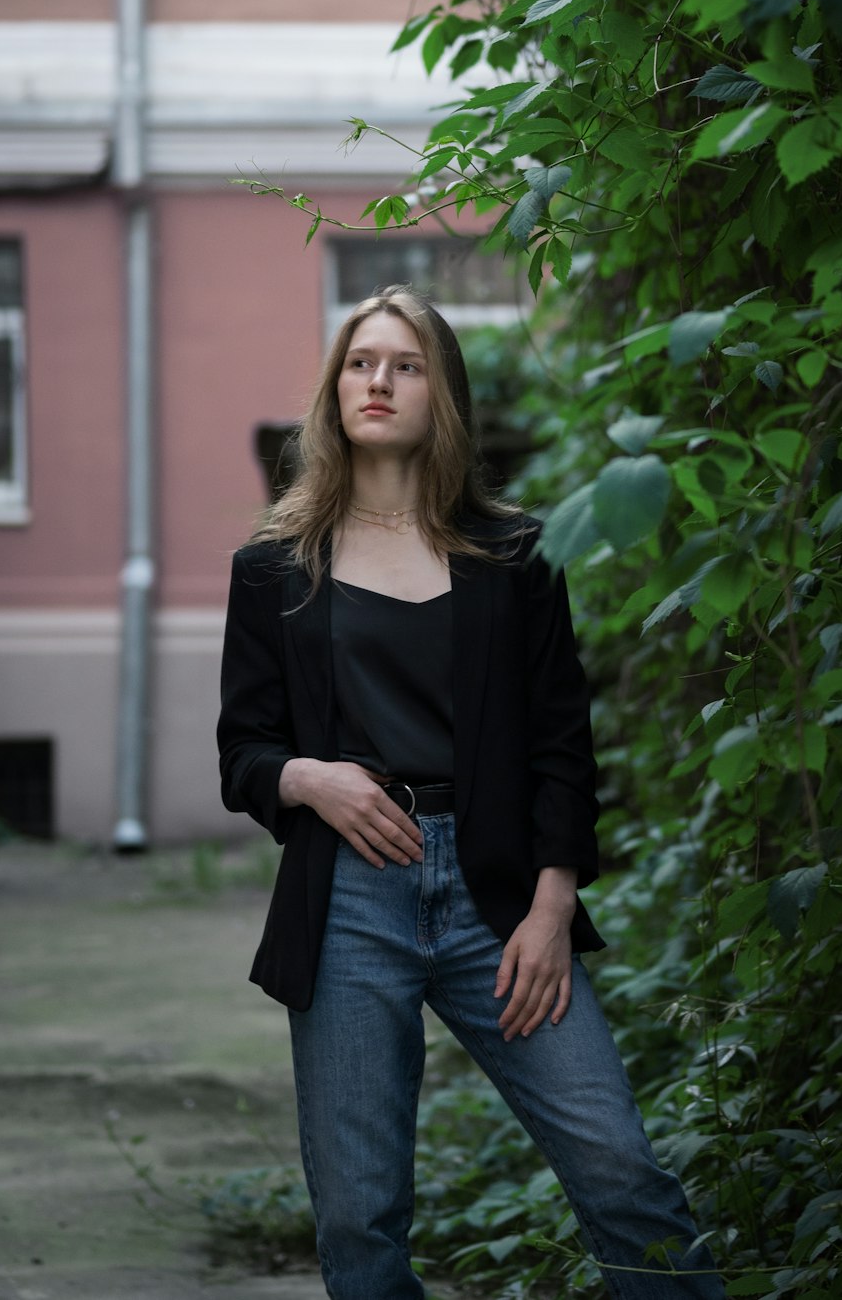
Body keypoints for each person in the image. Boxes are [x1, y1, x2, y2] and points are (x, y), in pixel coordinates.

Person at [217, 285, 724, 1300]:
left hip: (499, 898)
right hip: (349, 902)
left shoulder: (513, 558)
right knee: (361, 1220)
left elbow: (562, 747)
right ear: (335, 387)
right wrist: (311, 779)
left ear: (439, 393)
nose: (379, 382)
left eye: (406, 365)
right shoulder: (274, 568)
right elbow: (245, 750)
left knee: (621, 1170)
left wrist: (552, 905)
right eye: (361, 362)